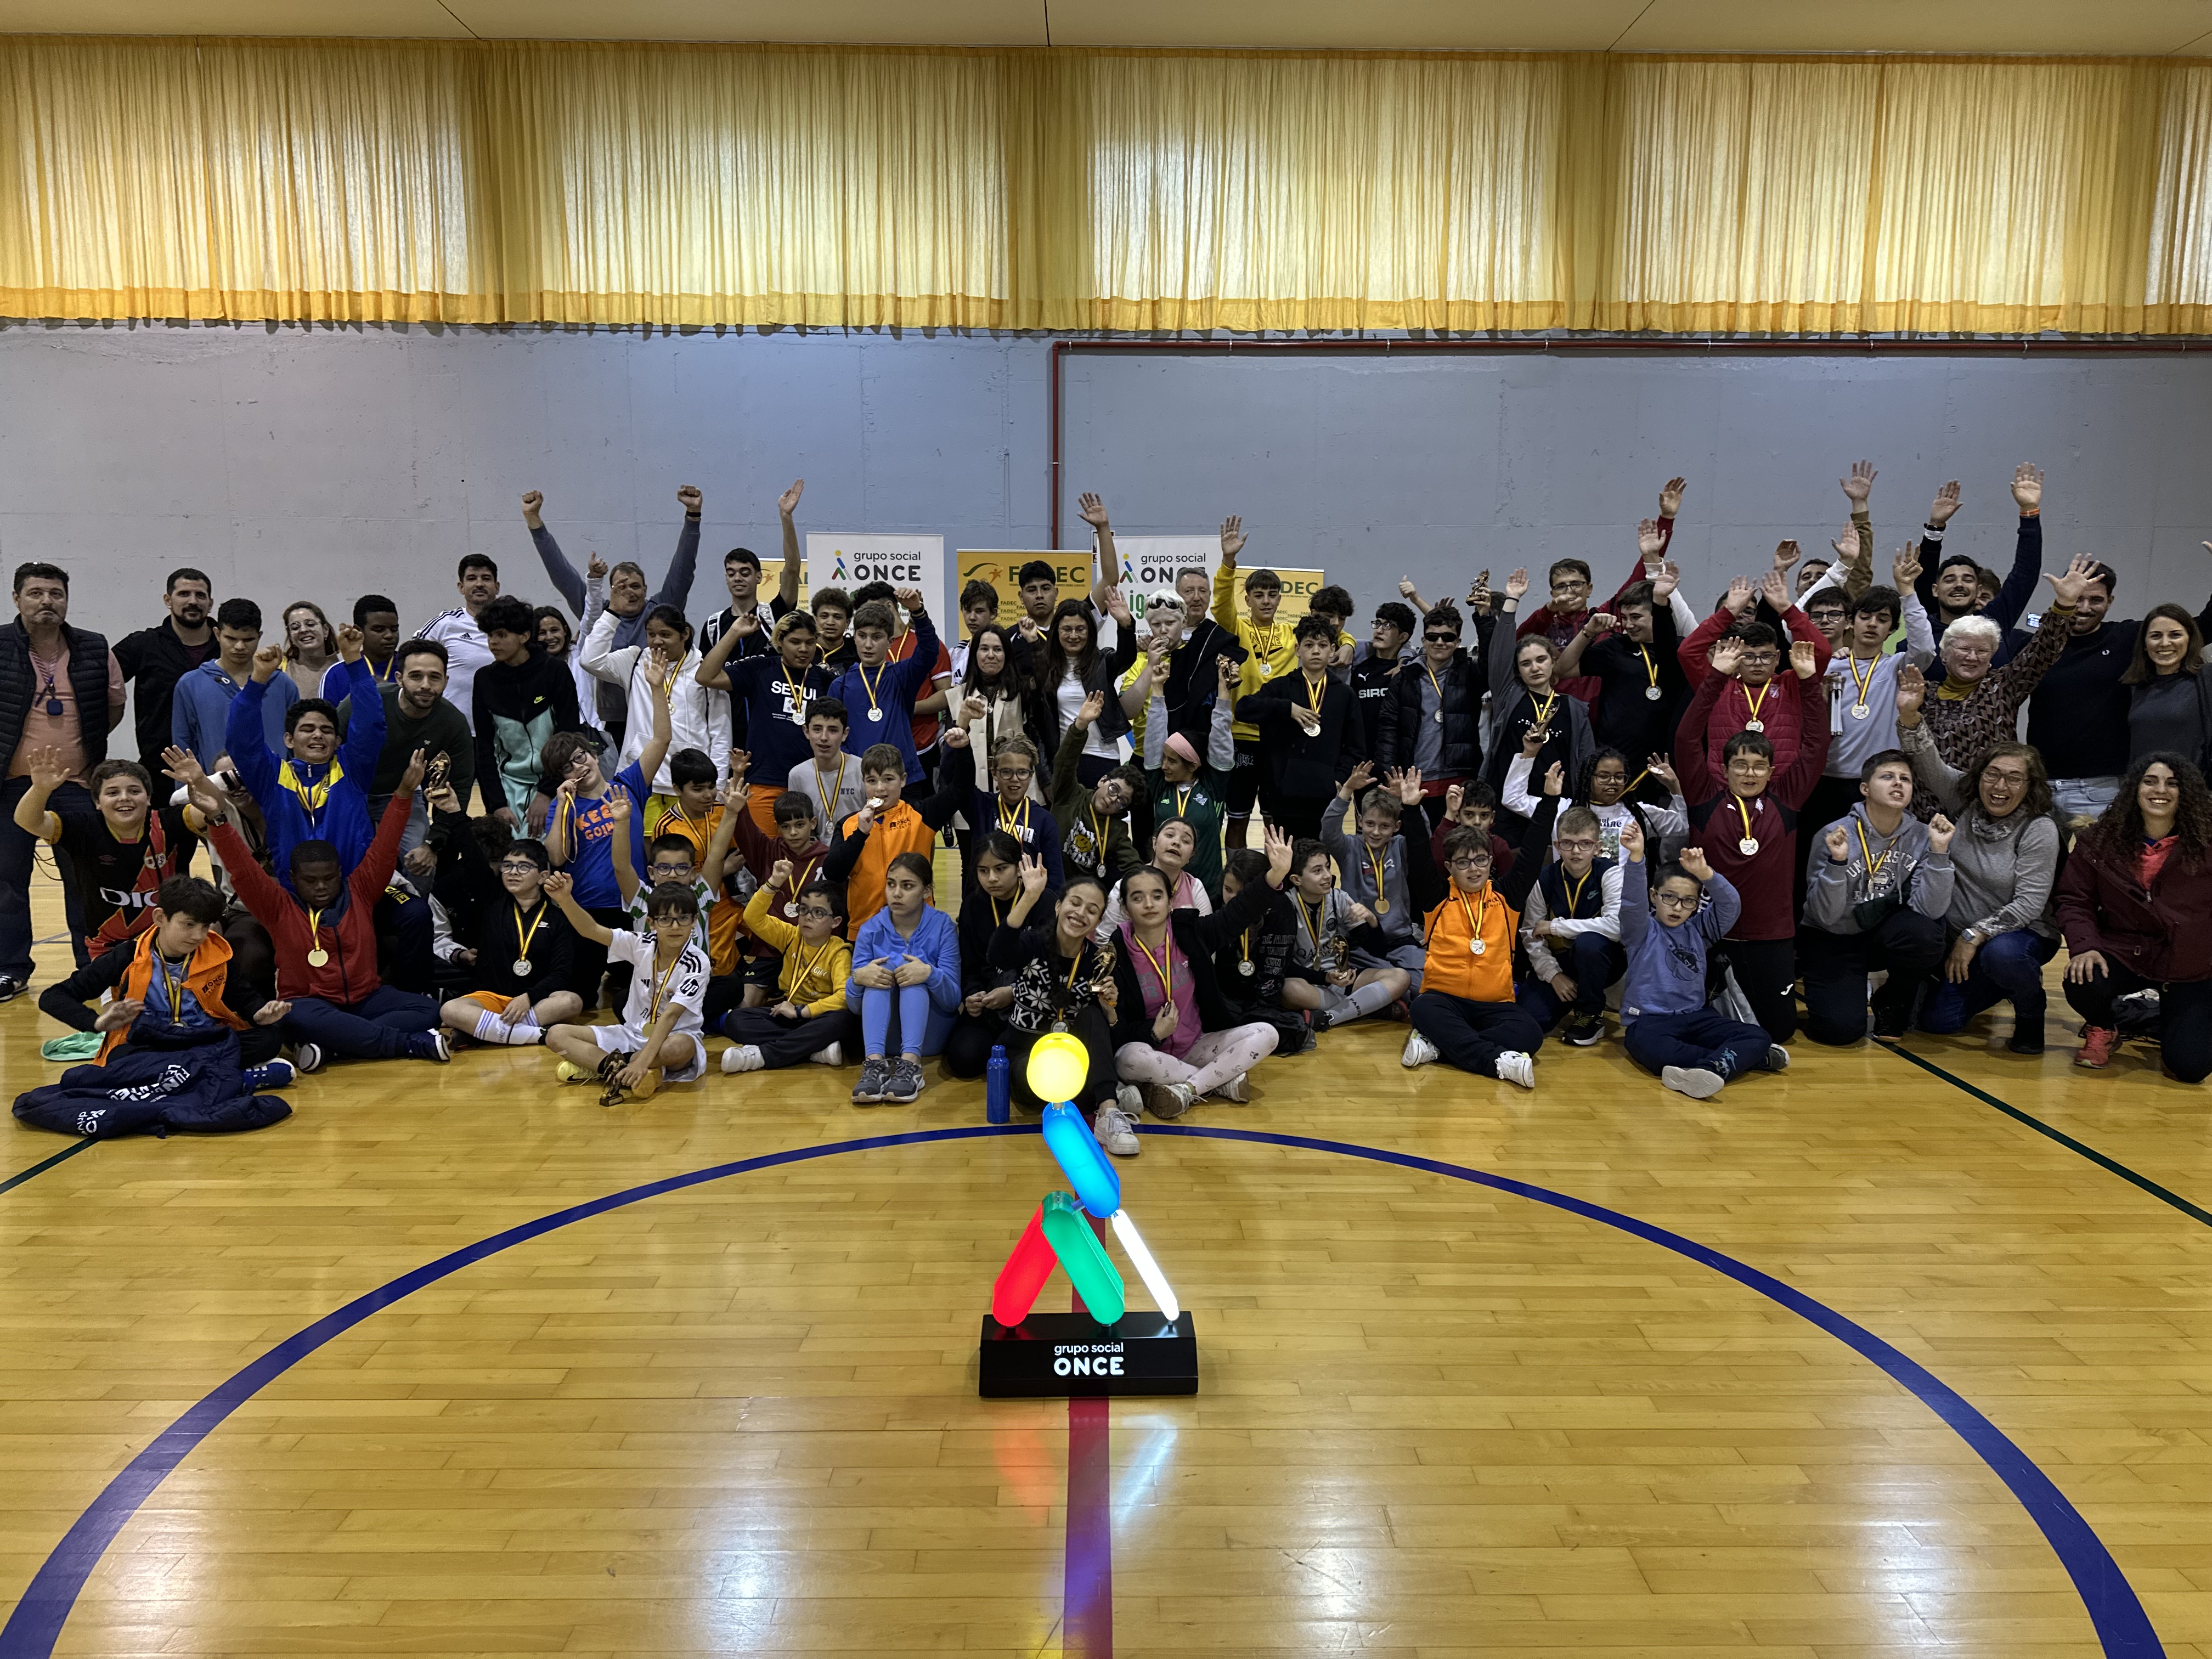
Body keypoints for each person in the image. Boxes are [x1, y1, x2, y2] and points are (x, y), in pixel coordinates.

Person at [189, 748, 447, 1071]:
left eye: (329, 878)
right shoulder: (277, 905)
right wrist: (217, 819)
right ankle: (408, 1044)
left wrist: (406, 791)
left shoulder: (361, 890)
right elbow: (241, 868)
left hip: (367, 1000)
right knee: (293, 1017)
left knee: (427, 1010)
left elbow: (385, 844)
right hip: (309, 1005)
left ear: (340, 874)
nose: (321, 887)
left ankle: (335, 1048)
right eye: (311, 881)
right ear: (293, 879)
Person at [1895, 668, 2063, 1052]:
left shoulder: (2039, 829)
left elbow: (2029, 905)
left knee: (2004, 957)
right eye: (1993, 775)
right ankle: (1984, 981)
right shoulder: (1966, 799)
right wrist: (1909, 714)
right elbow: (1927, 760)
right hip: (1956, 935)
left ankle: (2030, 1007)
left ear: (2030, 786)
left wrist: (1974, 936)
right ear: (1979, 775)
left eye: (2014, 778)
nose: (2000, 786)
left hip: (2017, 936)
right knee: (1937, 1024)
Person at [1673, 635, 1831, 1041]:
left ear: (1771, 771)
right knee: (1705, 1025)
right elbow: (1686, 740)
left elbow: (1816, 744)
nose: (1749, 773)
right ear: (1724, 768)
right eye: (1740, 765)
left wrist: (1809, 683)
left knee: (1780, 1031)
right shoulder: (1704, 798)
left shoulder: (1787, 799)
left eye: (1759, 766)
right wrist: (1715, 678)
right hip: (1712, 933)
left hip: (1771, 935)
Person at [2013, 517, 2212, 828]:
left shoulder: (2126, 639)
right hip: (2040, 787)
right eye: (2077, 598)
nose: (2084, 608)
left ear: (2110, 603)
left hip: (2102, 790)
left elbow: (2202, 627)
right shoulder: (2037, 646)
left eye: (2096, 600)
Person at [1107, 828, 1295, 1119]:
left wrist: (1274, 876)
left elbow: (1237, 914)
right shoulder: (1115, 953)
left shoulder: (1189, 932)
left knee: (1267, 1033)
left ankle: (1187, 1089)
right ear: (1125, 907)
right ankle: (1217, 1082)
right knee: (1128, 1059)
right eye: (1138, 898)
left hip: (1196, 1045)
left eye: (1157, 896)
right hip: (1149, 1050)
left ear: (1170, 902)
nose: (1149, 904)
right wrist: (1154, 1033)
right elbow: (1118, 1029)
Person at [0, 561, 124, 999]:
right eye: (36, 593)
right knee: (7, 882)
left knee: (84, 880)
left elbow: (113, 706)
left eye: (56, 594)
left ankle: (91, 967)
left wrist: (82, 752)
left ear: (67, 601)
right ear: (17, 599)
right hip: (12, 786)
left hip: (76, 785)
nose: (47, 602)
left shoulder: (95, 647)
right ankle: (10, 968)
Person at [35, 872, 291, 1075]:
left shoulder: (217, 954)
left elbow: (244, 998)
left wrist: (259, 1013)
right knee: (120, 1058)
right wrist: (97, 1023)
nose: (198, 936)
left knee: (269, 1039)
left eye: (205, 926)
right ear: (160, 918)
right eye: (189, 925)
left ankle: (173, 1074)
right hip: (151, 1041)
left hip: (201, 1037)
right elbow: (53, 997)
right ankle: (213, 1073)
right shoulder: (127, 956)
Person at [2057, 752, 2212, 1080]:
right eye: (2150, 781)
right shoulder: (2100, 840)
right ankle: (2103, 1025)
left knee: (2190, 1068)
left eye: (2173, 784)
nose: (2161, 791)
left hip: (2188, 964)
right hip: (2125, 951)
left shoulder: (2207, 842)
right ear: (2135, 789)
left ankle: (2164, 1016)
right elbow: (2074, 899)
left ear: (2187, 792)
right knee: (2082, 978)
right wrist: (2085, 946)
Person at [1398, 785, 1561, 1088]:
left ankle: (1438, 1046)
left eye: (1481, 861)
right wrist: (1410, 809)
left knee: (1531, 1034)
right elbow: (1419, 856)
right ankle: (1497, 1062)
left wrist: (1550, 800)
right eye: (1463, 862)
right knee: (1422, 1008)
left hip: (1495, 1005)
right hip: (1444, 1000)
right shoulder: (1437, 897)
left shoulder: (1507, 896)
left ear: (1491, 861)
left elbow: (1533, 851)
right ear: (1449, 866)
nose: (1474, 870)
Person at [1613, 818, 1788, 1098]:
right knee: (1654, 1052)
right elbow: (1632, 903)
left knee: (1758, 1035)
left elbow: (1731, 904)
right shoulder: (1640, 931)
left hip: (1697, 1017)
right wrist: (1636, 857)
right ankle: (1733, 1062)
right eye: (1669, 897)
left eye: (1688, 901)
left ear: (1697, 905)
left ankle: (1710, 1068)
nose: (1677, 907)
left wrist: (1706, 874)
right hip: (1649, 1021)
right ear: (1654, 896)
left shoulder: (1700, 930)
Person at [1915, 558, 2095, 819]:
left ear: (1991, 658)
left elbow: (2042, 650)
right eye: (1964, 649)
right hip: (1928, 811)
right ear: (1944, 655)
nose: (1972, 657)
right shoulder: (1923, 694)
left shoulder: (2003, 686)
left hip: (1992, 808)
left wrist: (2065, 604)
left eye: (1982, 651)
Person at [1799, 751, 1957, 1045]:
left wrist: (1939, 853)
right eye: (1888, 777)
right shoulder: (1835, 834)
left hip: (1882, 932)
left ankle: (1893, 999)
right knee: (1840, 1031)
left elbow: (1931, 910)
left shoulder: (1924, 836)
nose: (1898, 783)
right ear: (1865, 788)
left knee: (1926, 935)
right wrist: (1837, 863)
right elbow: (1825, 916)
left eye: (1905, 779)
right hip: (1834, 934)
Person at [524, 484, 702, 742]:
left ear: (646, 589)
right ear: (611, 590)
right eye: (621, 587)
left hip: (663, 709)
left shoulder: (659, 610)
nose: (629, 592)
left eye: (635, 586)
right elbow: (562, 575)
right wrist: (534, 522)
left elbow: (683, 569)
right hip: (616, 721)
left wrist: (693, 516)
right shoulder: (599, 614)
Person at [541, 661, 674, 1005]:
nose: (579, 767)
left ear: (593, 755)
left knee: (643, 993)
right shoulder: (563, 805)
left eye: (580, 757)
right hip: (587, 909)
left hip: (633, 905)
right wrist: (563, 805)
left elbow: (662, 739)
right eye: (567, 767)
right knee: (581, 997)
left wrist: (656, 687)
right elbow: (555, 857)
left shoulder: (628, 784)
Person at [1799, 549, 1935, 850]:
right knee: (1820, 854)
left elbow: (1925, 649)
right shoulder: (1827, 667)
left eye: (1882, 619)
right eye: (1866, 617)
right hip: (1824, 779)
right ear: (1851, 622)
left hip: (1877, 783)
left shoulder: (1897, 667)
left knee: (1872, 859)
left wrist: (1907, 591)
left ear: (1892, 629)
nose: (1872, 624)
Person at [226, 623, 383, 882]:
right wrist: (258, 680)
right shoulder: (271, 777)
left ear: (338, 741)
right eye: (307, 729)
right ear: (289, 740)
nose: (318, 735)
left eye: (326, 730)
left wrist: (354, 661)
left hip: (353, 888)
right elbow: (242, 741)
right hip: (293, 892)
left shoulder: (352, 770)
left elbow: (370, 724)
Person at [990, 861, 1131, 1149]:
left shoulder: (1099, 962)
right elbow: (998, 955)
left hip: (1073, 1059)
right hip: (1026, 1055)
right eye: (1075, 903)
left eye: (1092, 910)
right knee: (1044, 1085)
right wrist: (1030, 896)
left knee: (1093, 1015)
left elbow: (1109, 1035)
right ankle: (1108, 1094)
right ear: (1058, 906)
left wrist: (1110, 1010)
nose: (1080, 913)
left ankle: (1108, 1113)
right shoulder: (1033, 943)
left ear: (1098, 921)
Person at [1513, 475, 1688, 703]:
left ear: (1589, 589)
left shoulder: (1604, 617)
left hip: (1598, 713)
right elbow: (1519, 642)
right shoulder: (1544, 625)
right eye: (1561, 586)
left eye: (1576, 584)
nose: (1570, 591)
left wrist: (1665, 522)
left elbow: (1639, 577)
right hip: (1553, 711)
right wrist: (1549, 610)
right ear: (1552, 593)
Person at [13, 749, 196, 964]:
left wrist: (200, 781)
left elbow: (213, 811)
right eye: (112, 793)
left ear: (148, 798)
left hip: (169, 947)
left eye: (134, 791)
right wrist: (40, 789)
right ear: (97, 802)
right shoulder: (84, 828)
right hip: (107, 950)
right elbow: (28, 821)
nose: (124, 798)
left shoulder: (169, 822)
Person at [544, 870, 710, 1104]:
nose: (675, 927)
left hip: (670, 1038)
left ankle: (607, 1067)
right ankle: (617, 1070)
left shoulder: (697, 962)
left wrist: (642, 1061)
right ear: (652, 923)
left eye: (683, 918)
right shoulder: (641, 944)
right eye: (665, 919)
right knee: (556, 1034)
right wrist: (565, 899)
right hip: (631, 1035)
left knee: (681, 1047)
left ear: (694, 921)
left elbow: (672, 1015)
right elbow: (591, 930)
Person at [431, 828, 583, 1048]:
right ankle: (536, 1035)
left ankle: (485, 1032)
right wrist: (455, 815)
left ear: (543, 877)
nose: (514, 872)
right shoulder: (492, 902)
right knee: (450, 1010)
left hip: (535, 1003)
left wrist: (528, 997)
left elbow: (560, 974)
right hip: (491, 998)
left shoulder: (558, 919)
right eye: (508, 866)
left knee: (571, 1002)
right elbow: (473, 857)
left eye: (524, 867)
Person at [1676, 569, 1832, 776]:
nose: (1757, 663)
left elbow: (1822, 652)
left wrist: (1786, 609)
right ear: (1737, 657)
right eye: (1749, 656)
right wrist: (1729, 612)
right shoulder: (1717, 687)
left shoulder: (1791, 685)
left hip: (1781, 786)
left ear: (1778, 658)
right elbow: (1688, 652)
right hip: (1725, 785)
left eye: (1766, 656)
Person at [697, 610, 834, 836]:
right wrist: (734, 633)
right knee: (763, 852)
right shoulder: (761, 669)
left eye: (810, 642)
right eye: (795, 642)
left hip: (811, 782)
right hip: (765, 780)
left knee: (807, 851)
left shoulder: (826, 680)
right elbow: (705, 676)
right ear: (780, 641)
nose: (803, 649)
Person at [1550, 557, 1690, 772]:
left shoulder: (1678, 650)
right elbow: (1562, 670)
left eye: (1636, 617)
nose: (1628, 625)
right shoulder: (1615, 646)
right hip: (1616, 762)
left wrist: (1661, 599)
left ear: (1655, 615)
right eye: (1624, 617)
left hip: (1663, 763)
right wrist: (1587, 633)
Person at [1234, 615, 1365, 843]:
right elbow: (1243, 709)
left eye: (1323, 645)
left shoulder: (1344, 695)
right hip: (1283, 796)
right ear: (1297, 650)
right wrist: (1287, 708)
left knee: (1319, 857)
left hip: (1325, 795)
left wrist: (1338, 778)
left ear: (1332, 651)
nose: (1316, 651)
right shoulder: (1280, 687)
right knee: (1285, 856)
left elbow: (1356, 748)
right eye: (1309, 645)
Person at [845, 850, 962, 1104]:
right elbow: (855, 1007)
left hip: (931, 1034)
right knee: (878, 976)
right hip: (884, 1038)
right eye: (891, 884)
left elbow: (953, 1001)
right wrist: (857, 979)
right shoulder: (869, 929)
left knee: (914, 974)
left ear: (927, 890)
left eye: (908, 886)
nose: (896, 893)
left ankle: (912, 1065)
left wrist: (930, 974)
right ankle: (874, 1066)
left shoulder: (943, 926)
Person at [823, 735, 970, 930]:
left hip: (918, 928)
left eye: (888, 779)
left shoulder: (921, 815)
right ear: (863, 782)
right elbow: (833, 873)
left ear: (903, 780)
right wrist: (860, 834)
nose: (880, 788)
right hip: (865, 930)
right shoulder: (848, 824)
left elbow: (960, 790)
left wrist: (963, 750)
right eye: (872, 780)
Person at [699, 481, 806, 747]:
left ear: (759, 577)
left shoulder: (774, 615)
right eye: (731, 573)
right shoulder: (713, 626)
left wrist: (786, 517)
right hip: (727, 727)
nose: (738, 578)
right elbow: (704, 677)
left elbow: (793, 569)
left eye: (745, 573)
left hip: (771, 721)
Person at [720, 866, 857, 1072]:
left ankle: (762, 1056)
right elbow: (753, 918)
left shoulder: (839, 952)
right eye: (804, 909)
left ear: (835, 922)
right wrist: (774, 883)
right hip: (788, 1015)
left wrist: (802, 1012)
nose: (808, 917)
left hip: (817, 1017)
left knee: (842, 1020)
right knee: (736, 1019)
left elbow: (843, 997)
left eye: (818, 913)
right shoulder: (791, 936)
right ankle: (813, 1050)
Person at [1212, 515, 1295, 849]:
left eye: (1272, 595)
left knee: (1277, 821)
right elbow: (1220, 604)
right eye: (1258, 595)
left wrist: (1346, 642)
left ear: (1279, 599)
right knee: (1238, 818)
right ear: (1247, 599)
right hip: (1241, 738)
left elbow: (1327, 634)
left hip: (1279, 738)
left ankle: (1279, 873)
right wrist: (1228, 561)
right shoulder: (1236, 629)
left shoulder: (1291, 634)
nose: (1266, 601)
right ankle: (1237, 874)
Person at [1515, 798, 1625, 1045]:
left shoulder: (1611, 873)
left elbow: (1616, 927)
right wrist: (1553, 975)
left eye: (1585, 844)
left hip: (1604, 959)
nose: (1576, 851)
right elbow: (1530, 933)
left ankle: (1591, 1014)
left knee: (1589, 943)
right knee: (1530, 1020)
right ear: (1557, 845)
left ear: (1597, 847)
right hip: (1561, 962)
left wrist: (1555, 926)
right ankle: (1571, 997)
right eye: (1568, 843)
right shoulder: (1545, 878)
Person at [584, 601, 721, 797]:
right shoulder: (635, 661)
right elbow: (590, 661)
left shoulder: (704, 672)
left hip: (689, 784)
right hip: (639, 780)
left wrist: (719, 787)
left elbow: (720, 733)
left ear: (684, 634)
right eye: (651, 634)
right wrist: (612, 614)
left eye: (665, 635)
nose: (657, 641)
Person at [1482, 585, 1594, 824]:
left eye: (1541, 660)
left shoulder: (1575, 709)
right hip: (1507, 805)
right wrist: (1512, 599)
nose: (1534, 668)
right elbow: (1500, 652)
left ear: (1553, 662)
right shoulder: (1509, 696)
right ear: (1517, 670)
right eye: (1526, 664)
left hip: (1559, 808)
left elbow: (1586, 763)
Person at [473, 595, 582, 827]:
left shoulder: (555, 671)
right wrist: (497, 804)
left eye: (501, 635)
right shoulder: (484, 679)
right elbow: (484, 749)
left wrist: (546, 793)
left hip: (557, 782)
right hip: (507, 786)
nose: (493, 642)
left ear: (524, 636)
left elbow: (569, 736)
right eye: (490, 635)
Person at [818, 588, 943, 788]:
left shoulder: (902, 676)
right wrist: (852, 770)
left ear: (890, 642)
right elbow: (834, 736)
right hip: (860, 780)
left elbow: (929, 651)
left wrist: (918, 612)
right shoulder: (840, 686)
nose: (868, 645)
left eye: (876, 637)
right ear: (854, 637)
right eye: (862, 636)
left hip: (902, 780)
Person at [1321, 763, 1427, 992]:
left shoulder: (1400, 847)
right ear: (1360, 822)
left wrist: (1411, 803)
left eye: (1384, 826)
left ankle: (1394, 999)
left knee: (1424, 985)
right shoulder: (1349, 848)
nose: (1376, 832)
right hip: (1361, 942)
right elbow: (1328, 832)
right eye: (1370, 824)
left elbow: (1422, 838)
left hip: (1400, 939)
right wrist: (1346, 791)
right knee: (1382, 981)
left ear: (1397, 827)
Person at [1378, 606, 1486, 833]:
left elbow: (1492, 661)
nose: (1440, 642)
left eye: (1448, 637)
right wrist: (1390, 775)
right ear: (1423, 640)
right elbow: (1388, 729)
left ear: (1458, 642)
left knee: (1455, 847)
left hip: (1459, 780)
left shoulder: (1470, 674)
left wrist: (1483, 618)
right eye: (1433, 637)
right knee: (1417, 848)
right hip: (1414, 781)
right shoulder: (1405, 678)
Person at [364, 639, 474, 856]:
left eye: (435, 677)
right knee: (350, 856)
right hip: (355, 794)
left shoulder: (453, 723)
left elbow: (459, 786)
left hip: (405, 795)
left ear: (446, 681)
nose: (426, 685)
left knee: (419, 860)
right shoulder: (368, 703)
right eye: (416, 676)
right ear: (399, 678)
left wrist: (433, 842)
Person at [726, 774, 828, 1009]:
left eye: (800, 825)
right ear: (777, 827)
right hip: (770, 947)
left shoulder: (828, 859)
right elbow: (746, 831)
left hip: (811, 948)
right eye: (786, 827)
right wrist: (740, 808)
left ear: (813, 823)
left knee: (811, 1005)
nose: (793, 833)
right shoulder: (768, 850)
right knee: (744, 1006)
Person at [1140, 656, 1237, 900]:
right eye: (1164, 758)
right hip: (1162, 889)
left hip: (1206, 890)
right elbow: (1154, 737)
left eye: (1172, 761)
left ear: (1193, 765)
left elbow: (1221, 738)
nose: (1163, 766)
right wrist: (1157, 689)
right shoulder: (1160, 785)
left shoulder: (1213, 788)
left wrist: (1224, 691)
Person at [1503, 741, 1686, 863]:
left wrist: (1675, 787)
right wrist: (1529, 754)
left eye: (1619, 777)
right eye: (1604, 776)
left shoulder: (1640, 814)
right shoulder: (1563, 809)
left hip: (1622, 904)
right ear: (1588, 778)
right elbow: (1513, 799)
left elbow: (1684, 826)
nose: (1613, 782)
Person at [172, 597, 295, 772]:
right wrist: (189, 787)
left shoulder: (283, 684)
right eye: (231, 638)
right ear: (217, 634)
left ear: (259, 636)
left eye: (248, 639)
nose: (239, 646)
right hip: (215, 786)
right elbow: (184, 746)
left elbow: (297, 743)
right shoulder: (190, 685)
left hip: (276, 784)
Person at [942, 831, 1027, 1082]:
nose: (992, 878)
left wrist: (1014, 992)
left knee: (1026, 1068)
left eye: (1001, 869)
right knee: (963, 1059)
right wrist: (972, 995)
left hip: (1029, 1004)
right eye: (983, 871)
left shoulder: (1039, 900)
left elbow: (1050, 967)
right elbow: (969, 966)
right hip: (987, 1006)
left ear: (1019, 867)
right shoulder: (973, 905)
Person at [114, 567, 216, 773]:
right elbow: (97, 682)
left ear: (210, 603)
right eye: (184, 594)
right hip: (160, 768)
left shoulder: (228, 647)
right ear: (168, 600)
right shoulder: (144, 645)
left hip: (221, 766)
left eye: (200, 595)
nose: (193, 601)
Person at [1035, 589, 1139, 781]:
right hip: (1064, 757)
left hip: (1102, 756)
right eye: (1067, 629)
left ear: (1090, 631)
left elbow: (1126, 658)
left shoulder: (1102, 662)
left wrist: (1126, 624)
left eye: (1080, 629)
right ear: (1056, 631)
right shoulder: (1045, 666)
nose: (1074, 635)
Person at [1050, 689, 1144, 881]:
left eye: (1121, 802)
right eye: (1113, 789)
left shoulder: (1117, 830)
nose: (1112, 800)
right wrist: (1081, 725)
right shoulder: (1070, 794)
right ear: (1103, 780)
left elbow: (1133, 866)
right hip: (1051, 881)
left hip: (1085, 891)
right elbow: (1065, 762)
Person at [957, 725, 1065, 889]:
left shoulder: (1045, 820)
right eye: (1006, 772)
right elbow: (957, 781)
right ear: (994, 773)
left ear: (1031, 774)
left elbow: (1056, 878)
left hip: (1029, 899)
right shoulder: (981, 807)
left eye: (1022, 772)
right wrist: (960, 741)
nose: (1015, 779)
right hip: (987, 898)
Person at [2120, 603, 2212, 770]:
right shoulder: (2134, 685)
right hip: (2144, 782)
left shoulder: (2206, 680)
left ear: (2190, 640)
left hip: (2191, 783)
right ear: (2145, 644)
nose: (2165, 643)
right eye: (2156, 636)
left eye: (2175, 635)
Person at [1095, 814, 1212, 940]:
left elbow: (1207, 938)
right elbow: (1105, 938)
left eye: (1186, 841)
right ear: (1155, 843)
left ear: (1191, 856)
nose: (1176, 843)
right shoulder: (1125, 885)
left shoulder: (1195, 887)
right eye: (1170, 835)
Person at [419, 554, 500, 730]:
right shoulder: (446, 624)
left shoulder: (513, 625)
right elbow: (412, 656)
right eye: (472, 578)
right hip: (453, 730)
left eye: (486, 578)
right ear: (461, 587)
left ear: (497, 587)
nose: (479, 584)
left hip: (503, 732)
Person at [783, 698, 864, 832]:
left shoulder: (862, 770)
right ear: (806, 731)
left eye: (833, 731)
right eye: (817, 729)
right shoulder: (797, 775)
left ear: (845, 734)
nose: (824, 737)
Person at [535, 603, 603, 738]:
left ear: (565, 630)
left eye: (555, 630)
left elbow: (592, 619)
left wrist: (594, 589)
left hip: (589, 738)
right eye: (542, 633)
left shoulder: (579, 654)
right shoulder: (532, 667)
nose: (550, 637)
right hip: (549, 741)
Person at [278, 601, 338, 703]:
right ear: (291, 637)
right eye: (295, 628)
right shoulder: (282, 671)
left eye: (310, 624)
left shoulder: (344, 670)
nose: (303, 630)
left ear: (325, 630)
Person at [341, 595, 403, 691]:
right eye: (379, 630)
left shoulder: (411, 668)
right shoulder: (337, 673)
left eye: (394, 629)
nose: (389, 635)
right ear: (358, 631)